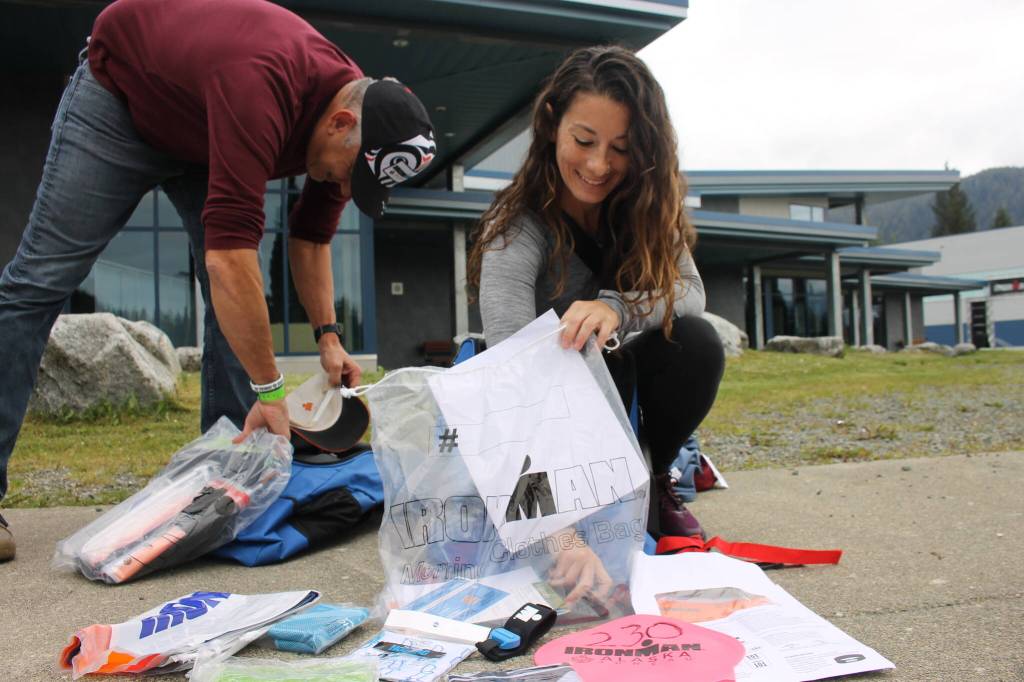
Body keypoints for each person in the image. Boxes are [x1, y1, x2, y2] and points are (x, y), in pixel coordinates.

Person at [0, 0, 436, 562]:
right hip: (122, 102)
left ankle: (227, 486)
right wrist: (272, 390)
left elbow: (310, 241)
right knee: (38, 282)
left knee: (230, 299)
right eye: (352, 175)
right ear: (340, 124)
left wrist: (328, 334)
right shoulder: (264, 86)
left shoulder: (350, 117)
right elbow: (230, 263)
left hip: (204, 129)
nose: (346, 190)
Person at [467, 46, 725, 550]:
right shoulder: (515, 229)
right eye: (583, 139)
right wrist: (555, 533)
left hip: (621, 392)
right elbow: (510, 371)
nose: (598, 164)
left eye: (622, 147)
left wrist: (618, 308)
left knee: (696, 341)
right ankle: (580, 498)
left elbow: (691, 291)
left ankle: (652, 476)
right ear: (550, 124)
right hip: (546, 407)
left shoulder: (646, 205)